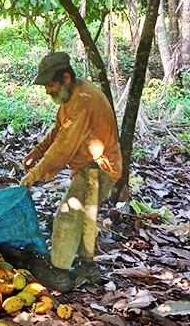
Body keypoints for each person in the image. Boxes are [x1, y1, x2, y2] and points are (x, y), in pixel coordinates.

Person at [19, 52, 122, 291]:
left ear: (65, 78)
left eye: (50, 84)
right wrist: (37, 151)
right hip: (94, 166)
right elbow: (59, 131)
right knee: (85, 218)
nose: (47, 90)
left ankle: (60, 274)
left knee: (66, 216)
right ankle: (88, 268)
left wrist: (34, 175)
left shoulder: (82, 101)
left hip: (98, 168)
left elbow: (63, 147)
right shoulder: (74, 94)